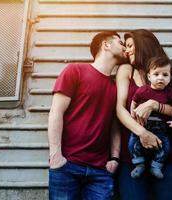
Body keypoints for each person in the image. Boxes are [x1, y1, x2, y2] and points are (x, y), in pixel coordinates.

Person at [116, 29, 172, 200]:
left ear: (143, 45)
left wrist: (155, 105)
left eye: (131, 46)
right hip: (133, 156)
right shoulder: (126, 70)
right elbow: (120, 109)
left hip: (166, 155)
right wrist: (143, 134)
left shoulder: (166, 70)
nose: (127, 50)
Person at [48, 31, 126, 200]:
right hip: (67, 166)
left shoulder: (116, 87)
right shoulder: (75, 70)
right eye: (120, 43)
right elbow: (56, 112)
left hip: (100, 171)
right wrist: (55, 156)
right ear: (106, 45)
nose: (125, 47)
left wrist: (114, 158)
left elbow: (114, 125)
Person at [129, 56, 172, 179]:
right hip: (143, 125)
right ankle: (139, 164)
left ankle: (156, 165)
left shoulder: (169, 93)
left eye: (165, 75)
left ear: (170, 78)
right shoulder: (143, 90)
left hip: (160, 128)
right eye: (156, 74)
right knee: (132, 144)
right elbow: (133, 101)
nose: (160, 78)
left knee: (165, 147)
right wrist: (132, 114)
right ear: (149, 77)